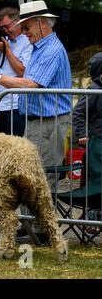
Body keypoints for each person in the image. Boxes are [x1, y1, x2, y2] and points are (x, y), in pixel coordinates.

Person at [0, 0, 72, 244]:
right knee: (31, 174)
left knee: (43, 175)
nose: (24, 33)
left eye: (26, 27)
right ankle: (31, 225)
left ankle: (41, 228)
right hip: (37, 119)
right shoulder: (40, 46)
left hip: (49, 121)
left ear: (41, 23)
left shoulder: (50, 49)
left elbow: (31, 83)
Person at [0, 7, 32, 136]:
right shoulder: (4, 39)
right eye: (1, 27)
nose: (4, 30)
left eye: (6, 26)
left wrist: (7, 50)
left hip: (15, 105)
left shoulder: (27, 41)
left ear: (18, 22)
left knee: (14, 148)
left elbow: (23, 71)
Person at [72, 52, 102, 232]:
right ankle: (92, 217)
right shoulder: (94, 90)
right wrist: (81, 134)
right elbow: (78, 112)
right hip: (97, 143)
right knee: (96, 180)